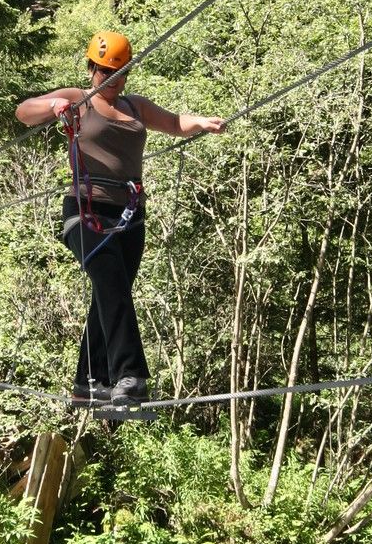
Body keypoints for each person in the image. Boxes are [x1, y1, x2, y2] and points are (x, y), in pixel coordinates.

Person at [15, 30, 224, 407]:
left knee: (111, 294)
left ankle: (86, 382)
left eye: (121, 73)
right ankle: (129, 374)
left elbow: (175, 123)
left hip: (129, 216)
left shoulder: (135, 106)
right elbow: (24, 111)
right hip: (86, 211)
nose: (113, 81)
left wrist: (203, 122)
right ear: (91, 69)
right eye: (105, 73)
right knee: (112, 287)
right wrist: (54, 106)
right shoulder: (80, 100)